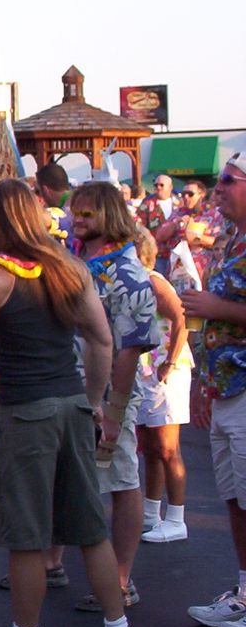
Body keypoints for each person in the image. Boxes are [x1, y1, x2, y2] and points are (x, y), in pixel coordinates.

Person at [0, 179, 141, 627]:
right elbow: (101, 339)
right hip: (72, 404)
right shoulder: (68, 266)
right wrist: (94, 402)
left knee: (27, 535)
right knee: (90, 528)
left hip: (26, 411)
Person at [66, 180, 159, 612]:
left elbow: (129, 351)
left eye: (89, 212)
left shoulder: (128, 274)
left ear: (110, 216)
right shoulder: (76, 260)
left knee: (121, 481)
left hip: (108, 395)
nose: (79, 219)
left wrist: (115, 412)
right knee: (68, 477)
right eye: (76, 210)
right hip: (70, 387)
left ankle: (121, 580)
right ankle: (52, 562)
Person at [178, 151, 246, 627]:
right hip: (224, 386)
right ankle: (244, 592)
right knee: (235, 498)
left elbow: (220, 309)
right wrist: (203, 382)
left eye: (228, 180)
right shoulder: (228, 238)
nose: (217, 187)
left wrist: (216, 306)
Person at [132, 228, 192, 543]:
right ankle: (151, 514)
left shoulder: (154, 281)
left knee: (168, 448)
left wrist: (169, 361)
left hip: (166, 371)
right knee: (151, 447)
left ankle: (176, 519)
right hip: (146, 371)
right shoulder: (135, 281)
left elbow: (181, 319)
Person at [137, 175, 178, 275]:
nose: (158, 187)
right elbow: (139, 226)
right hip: (157, 254)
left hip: (176, 253)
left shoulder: (178, 202)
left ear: (170, 187)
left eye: (161, 185)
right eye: (156, 185)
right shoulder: (147, 202)